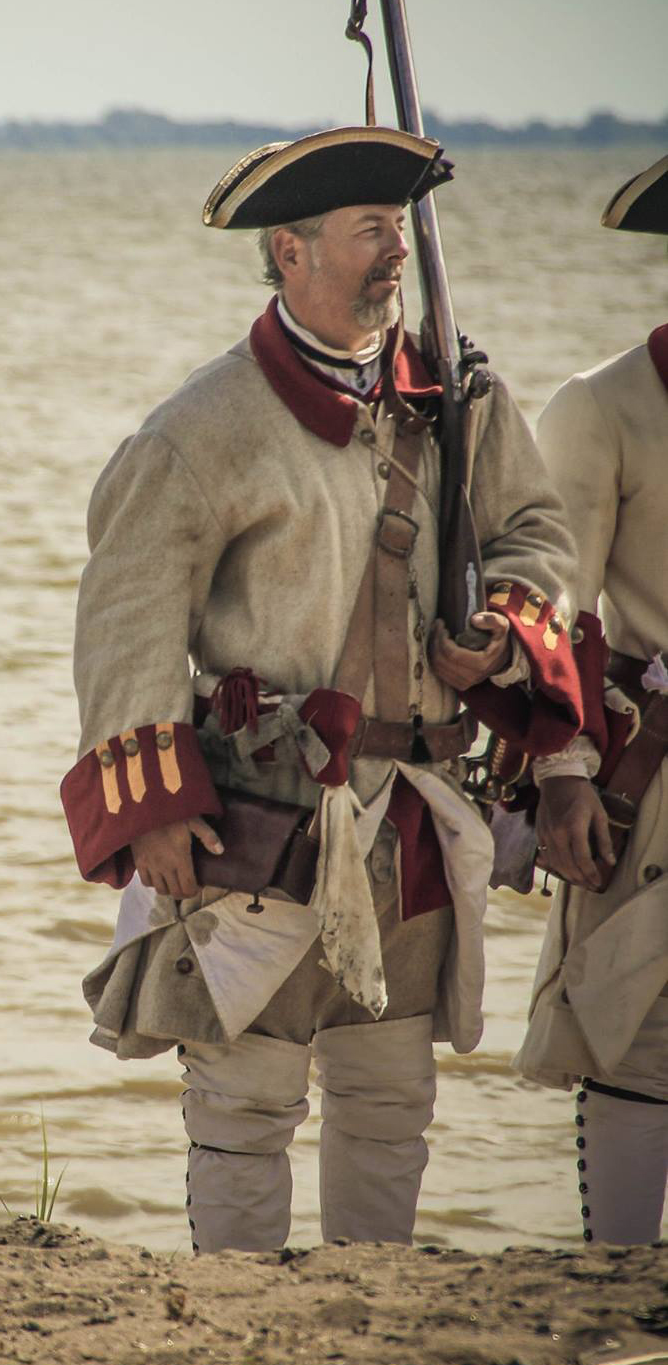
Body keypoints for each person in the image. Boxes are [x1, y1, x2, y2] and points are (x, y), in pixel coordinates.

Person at [62, 127, 582, 1252]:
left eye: (396, 229)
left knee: (390, 1096)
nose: (392, 253)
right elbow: (127, 621)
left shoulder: (459, 396)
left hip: (414, 812)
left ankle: (369, 1306)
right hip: (263, 812)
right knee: (245, 1103)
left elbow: (538, 530)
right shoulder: (202, 429)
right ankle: (244, 1316)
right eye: (366, 233)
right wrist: (155, 806)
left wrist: (501, 633)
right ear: (289, 253)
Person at [513, 154, 668, 1245]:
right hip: (653, 780)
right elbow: (552, 622)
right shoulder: (602, 407)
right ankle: (615, 1281)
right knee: (634, 1031)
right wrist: (565, 779)